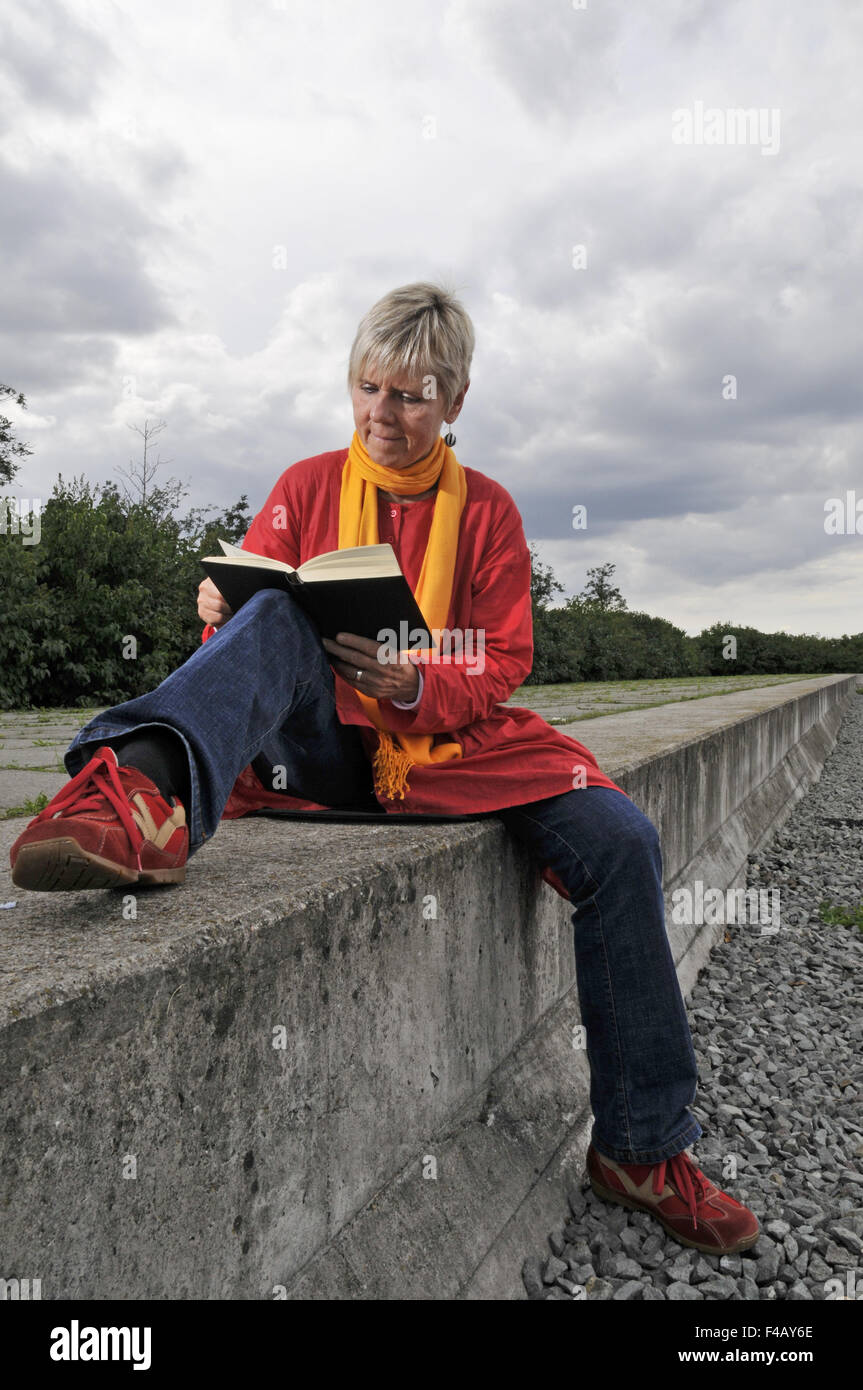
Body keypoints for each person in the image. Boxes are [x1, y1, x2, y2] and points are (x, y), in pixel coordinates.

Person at [10, 282, 759, 1257]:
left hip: (448, 752)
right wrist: (216, 603)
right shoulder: (307, 482)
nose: (381, 413)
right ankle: (137, 793)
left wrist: (413, 683)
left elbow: (500, 659)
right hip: (318, 750)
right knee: (273, 612)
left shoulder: (487, 511)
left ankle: (640, 1147)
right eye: (368, 387)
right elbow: (252, 618)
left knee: (621, 837)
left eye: (409, 395)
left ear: (452, 401)